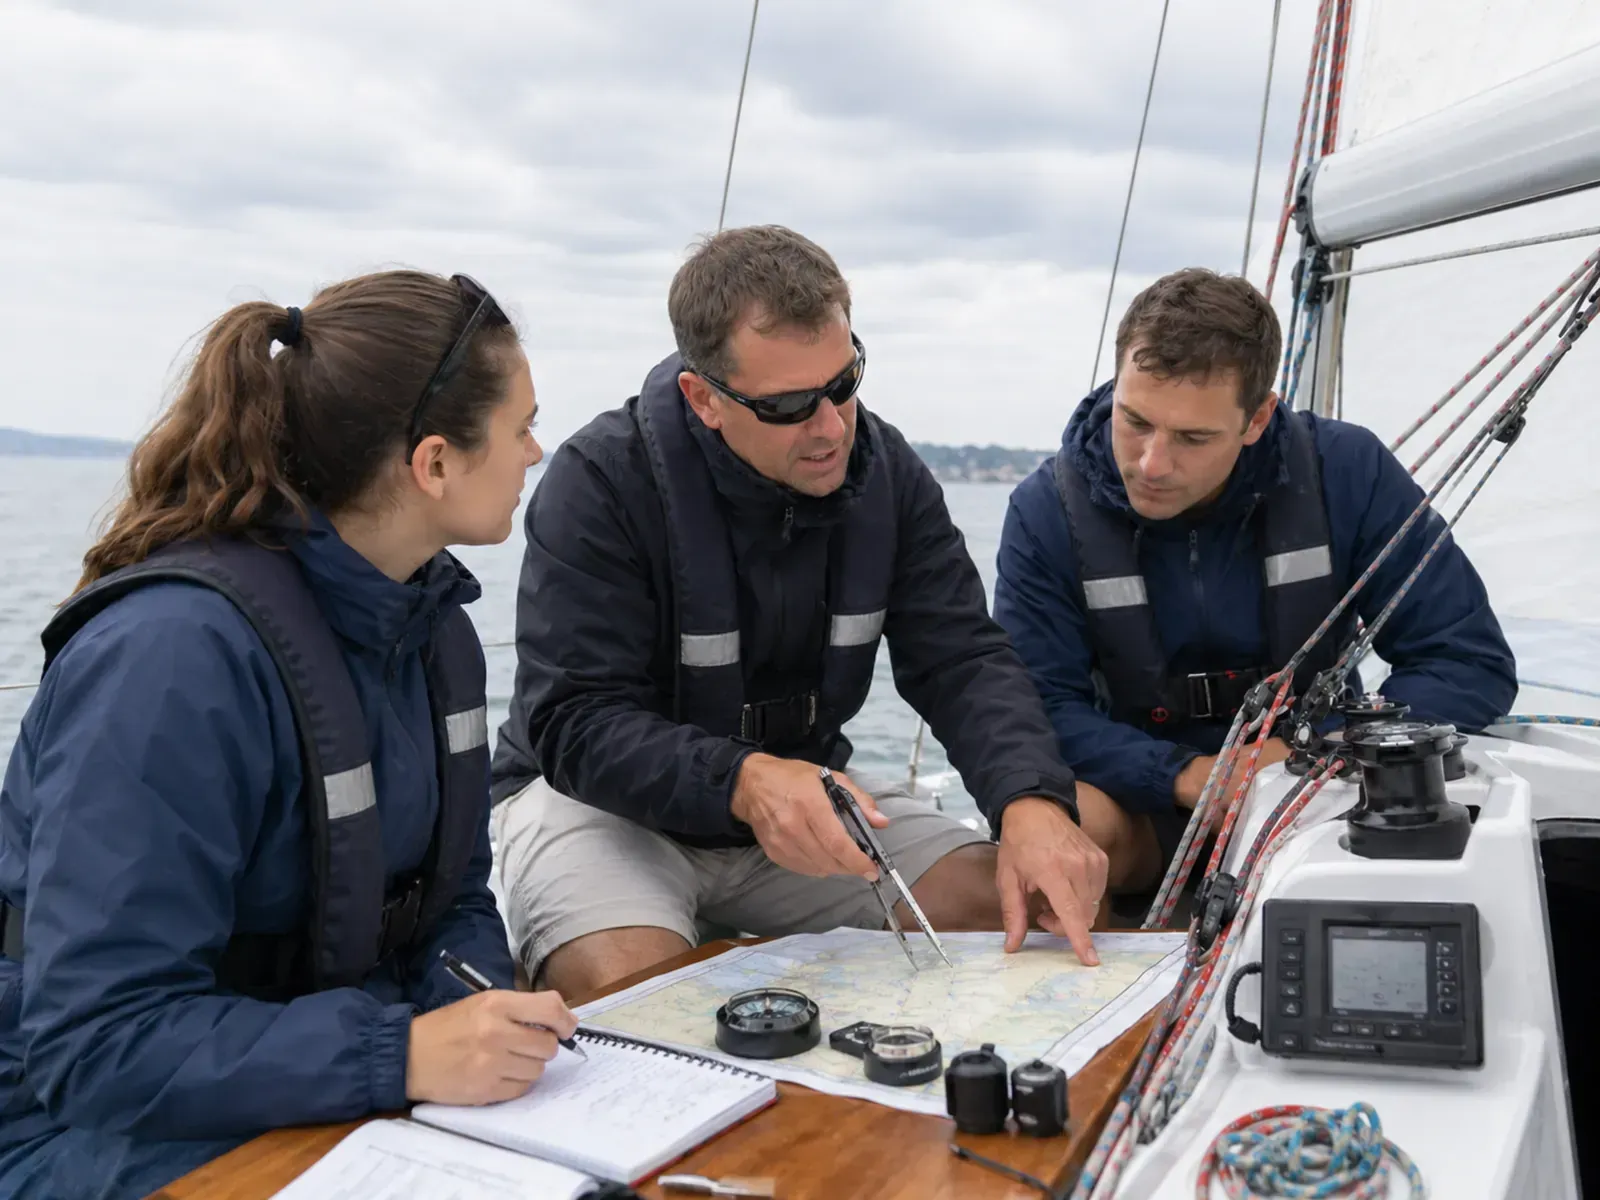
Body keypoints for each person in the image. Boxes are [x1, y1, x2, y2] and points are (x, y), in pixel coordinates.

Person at [0, 270, 575, 1200]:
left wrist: (487, 1018)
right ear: (433, 463)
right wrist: (402, 1055)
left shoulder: (437, 638)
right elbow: (95, 1043)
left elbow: (457, 897)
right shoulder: (170, 663)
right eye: (521, 427)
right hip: (72, 1130)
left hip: (315, 1084)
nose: (537, 452)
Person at [490, 225, 1111, 998]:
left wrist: (1030, 798)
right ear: (703, 399)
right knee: (641, 998)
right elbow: (573, 722)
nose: (830, 427)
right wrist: (745, 780)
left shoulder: (891, 478)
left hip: (801, 810)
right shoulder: (599, 484)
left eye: (844, 384)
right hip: (600, 811)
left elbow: (962, 659)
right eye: (788, 406)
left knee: (1025, 913)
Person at [994, 267, 1517, 895]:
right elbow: (1037, 706)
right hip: (1143, 807)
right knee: (1069, 822)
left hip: (1318, 804)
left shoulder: (1347, 473)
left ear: (1258, 418)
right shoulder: (1046, 511)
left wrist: (1318, 755)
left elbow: (1467, 660)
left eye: (1193, 437)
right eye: (1134, 421)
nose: (1152, 463)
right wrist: (1185, 776)